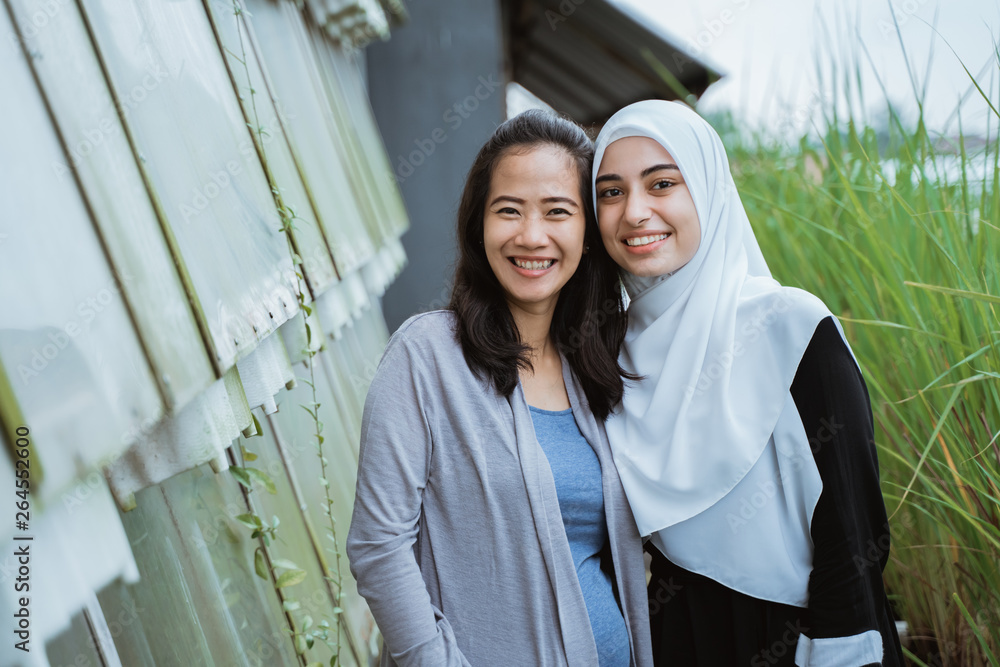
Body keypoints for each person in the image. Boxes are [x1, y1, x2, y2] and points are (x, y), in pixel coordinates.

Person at [591, 100, 904, 667]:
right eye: (610, 192)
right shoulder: (609, 351)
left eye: (662, 183)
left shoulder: (790, 325)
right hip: (677, 635)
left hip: (805, 635)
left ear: (708, 190)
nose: (635, 211)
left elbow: (852, 530)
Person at [347, 109, 654, 667]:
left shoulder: (601, 363)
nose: (530, 235)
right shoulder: (427, 356)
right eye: (507, 210)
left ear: (586, 234)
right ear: (478, 226)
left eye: (557, 212)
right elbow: (378, 547)